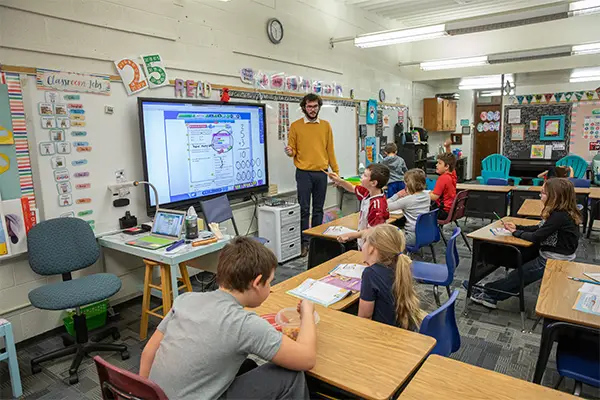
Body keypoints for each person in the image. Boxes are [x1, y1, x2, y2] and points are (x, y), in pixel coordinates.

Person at [139, 237, 316, 400]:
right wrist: (307, 312)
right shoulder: (245, 324)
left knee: (246, 365)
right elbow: (307, 359)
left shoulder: (186, 300)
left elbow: (148, 353)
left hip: (156, 395)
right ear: (256, 282)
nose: (270, 288)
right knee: (290, 376)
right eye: (269, 282)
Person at [470, 178, 581, 309]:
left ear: (555, 196)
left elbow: (536, 237)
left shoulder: (559, 216)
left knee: (518, 276)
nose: (540, 195)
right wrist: (517, 227)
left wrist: (515, 233)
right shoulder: (561, 212)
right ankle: (489, 290)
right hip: (553, 254)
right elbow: (539, 228)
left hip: (554, 260)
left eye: (543, 193)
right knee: (518, 269)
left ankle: (489, 293)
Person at [285, 94, 339, 257]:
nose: (313, 109)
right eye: (309, 107)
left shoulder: (325, 126)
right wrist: (289, 152)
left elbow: (330, 150)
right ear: (304, 108)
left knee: (318, 210)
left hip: (321, 173)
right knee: (304, 209)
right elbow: (292, 149)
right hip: (303, 173)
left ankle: (317, 241)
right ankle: (305, 243)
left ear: (319, 107)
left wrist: (335, 172)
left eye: (315, 106)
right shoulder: (295, 126)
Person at [358, 224, 424, 330]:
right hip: (401, 329)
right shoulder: (400, 265)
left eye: (365, 241)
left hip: (384, 335)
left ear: (371, 248)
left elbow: (364, 318)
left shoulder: (370, 274)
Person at [328, 163, 390, 248]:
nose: (361, 177)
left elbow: (372, 231)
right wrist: (339, 181)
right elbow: (353, 188)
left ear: (373, 183)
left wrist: (351, 235)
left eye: (364, 175)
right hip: (363, 240)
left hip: (373, 245)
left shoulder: (377, 206)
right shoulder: (368, 192)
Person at [388, 168, 430, 246]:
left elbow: (386, 206)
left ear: (408, 185)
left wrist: (397, 195)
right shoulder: (427, 196)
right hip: (425, 234)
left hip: (411, 237)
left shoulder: (407, 200)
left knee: (386, 237)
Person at [430, 151, 457, 220]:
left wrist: (422, 193)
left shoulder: (443, 178)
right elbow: (452, 164)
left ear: (447, 166)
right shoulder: (453, 174)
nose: (436, 165)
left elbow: (434, 197)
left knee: (419, 208)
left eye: (439, 163)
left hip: (442, 212)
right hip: (451, 211)